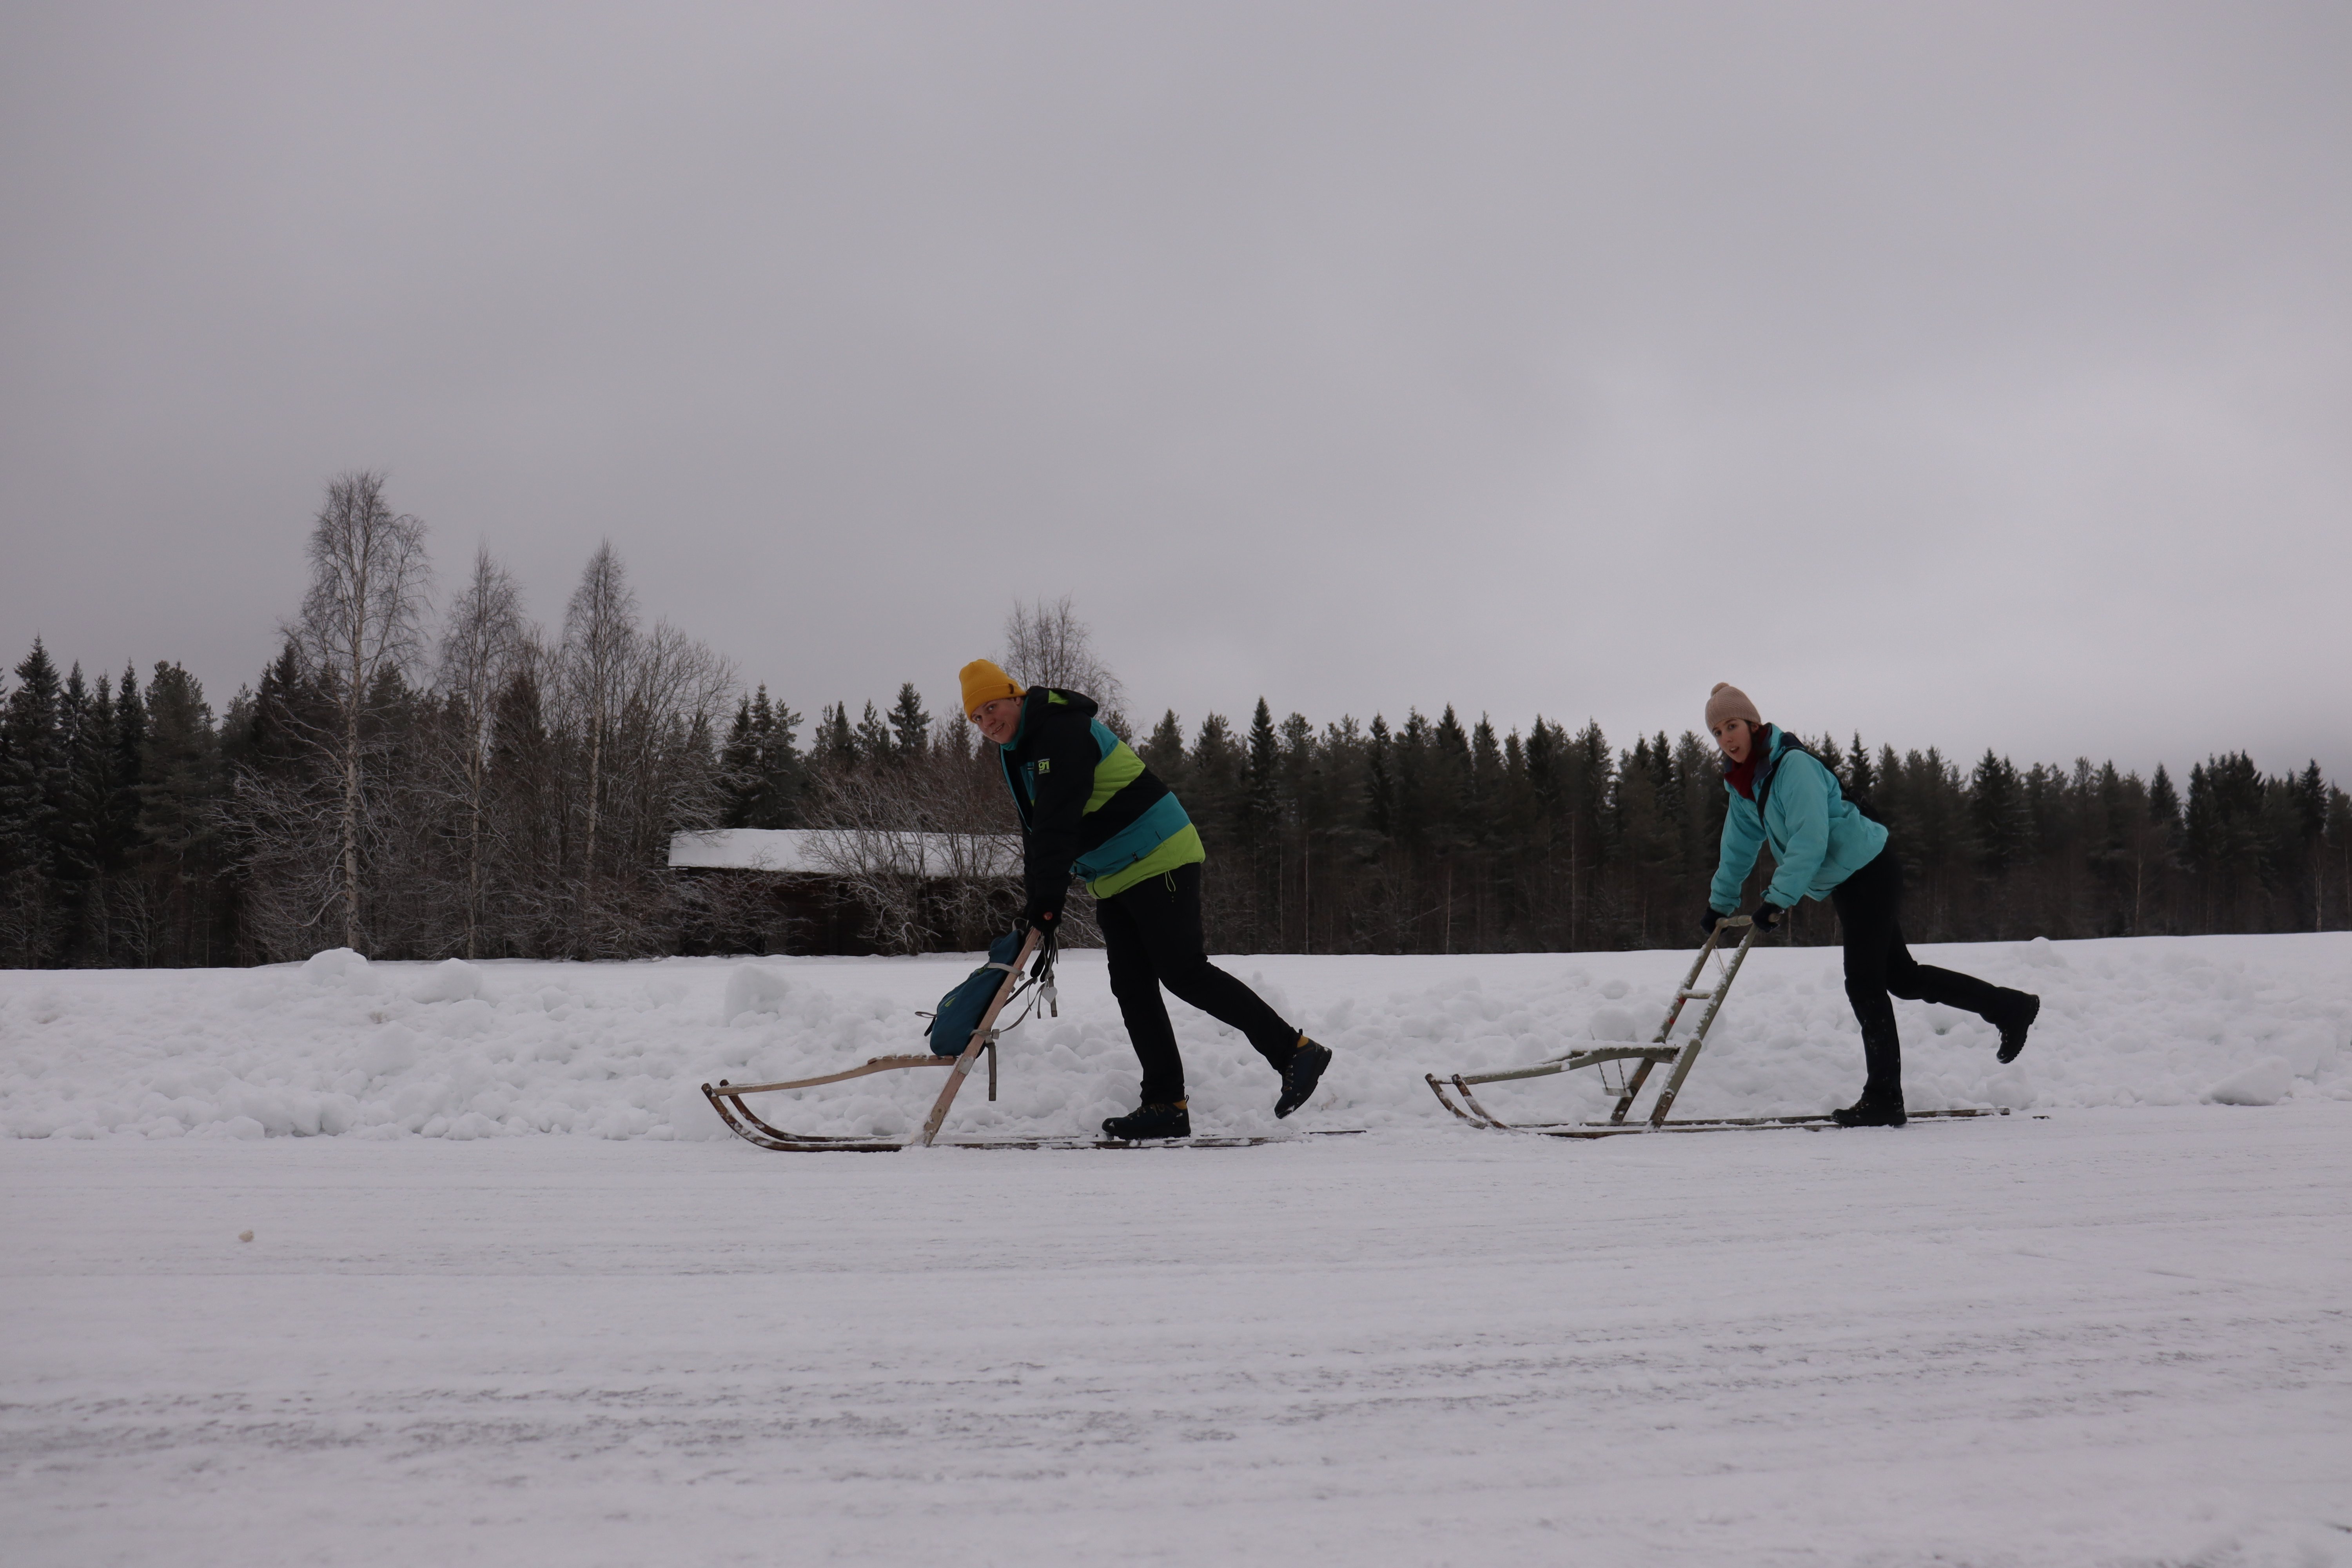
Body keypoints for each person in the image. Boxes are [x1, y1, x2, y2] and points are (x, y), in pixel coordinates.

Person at [960, 659, 1332, 1139]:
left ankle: (1295, 1051)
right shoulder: (1020, 749)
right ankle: (1165, 1103)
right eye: (977, 718)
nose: (989, 722)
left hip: (1158, 855)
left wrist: (1049, 900)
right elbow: (1037, 833)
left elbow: (1058, 819)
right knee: (1132, 986)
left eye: (992, 707)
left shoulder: (1061, 732)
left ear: (1015, 696)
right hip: (1115, 873)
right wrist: (1039, 901)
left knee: (1183, 971)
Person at [1697, 682, 2040, 1127]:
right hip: (1850, 877)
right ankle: (2010, 1008)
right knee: (1901, 977)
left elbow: (1810, 839)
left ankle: (1883, 1096)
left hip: (1870, 869)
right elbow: (1737, 849)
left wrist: (1778, 899)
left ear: (1753, 724)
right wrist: (1720, 902)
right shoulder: (1745, 786)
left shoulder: (1791, 766)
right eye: (1718, 731)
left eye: (1733, 726)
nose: (1727, 738)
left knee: (1864, 982)